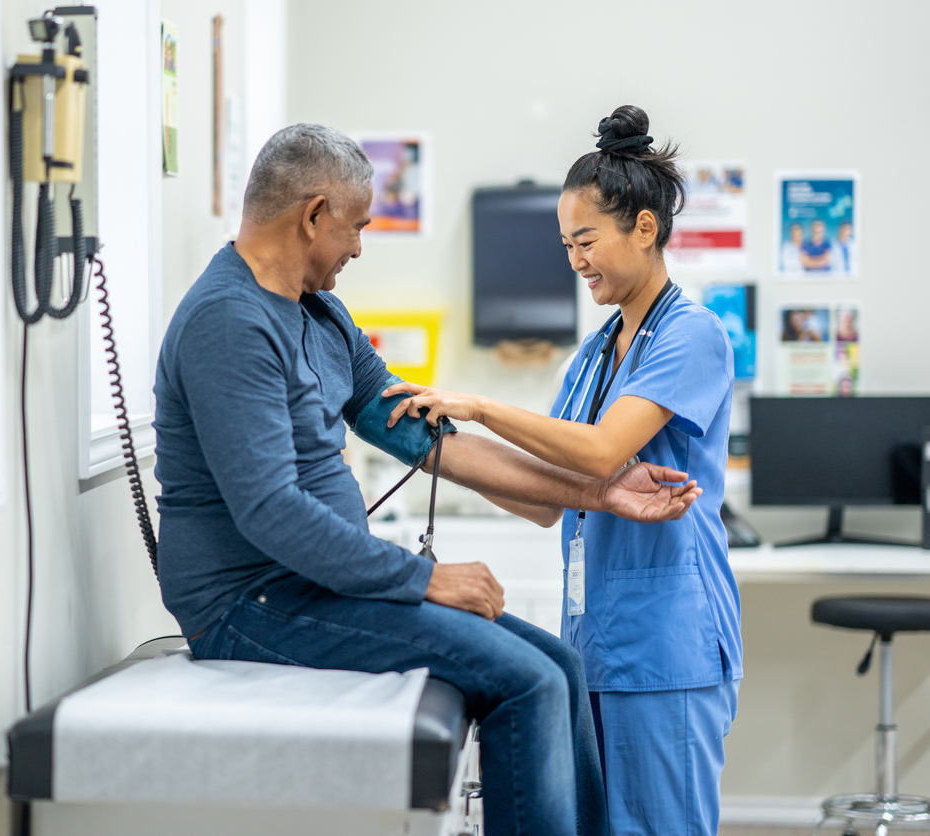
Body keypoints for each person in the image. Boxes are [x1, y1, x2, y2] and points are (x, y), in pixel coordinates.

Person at [153, 123, 704, 836]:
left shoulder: (319, 314)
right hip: (248, 604)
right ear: (312, 215)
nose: (356, 248)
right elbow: (270, 512)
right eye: (354, 228)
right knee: (527, 683)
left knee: (560, 665)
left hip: (316, 586)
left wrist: (599, 492)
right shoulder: (228, 322)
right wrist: (425, 579)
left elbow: (430, 439)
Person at [383, 106, 741, 835]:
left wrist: (480, 406)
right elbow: (550, 500)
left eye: (587, 240)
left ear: (645, 228)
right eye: (567, 244)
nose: (575, 260)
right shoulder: (597, 350)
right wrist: (435, 448)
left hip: (665, 639)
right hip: (597, 636)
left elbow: (604, 454)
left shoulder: (692, 335)